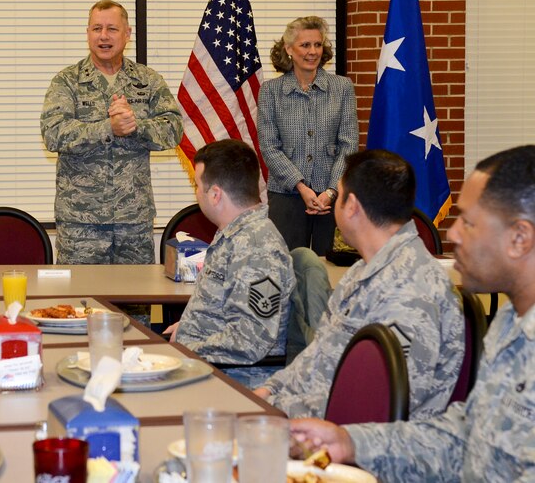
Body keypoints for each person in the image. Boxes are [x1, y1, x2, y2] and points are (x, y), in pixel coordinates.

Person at [290, 145, 535, 481]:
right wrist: (351, 443)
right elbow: (464, 434)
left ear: (519, 238)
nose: (452, 234)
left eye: (469, 222)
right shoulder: (510, 322)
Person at [255, 150, 463, 419]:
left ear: (351, 206)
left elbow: (379, 404)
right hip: (323, 421)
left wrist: (282, 412)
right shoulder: (361, 271)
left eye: (338, 196)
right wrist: (270, 391)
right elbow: (319, 355)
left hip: (363, 444)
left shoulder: (412, 289)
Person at [40, 0, 183, 264]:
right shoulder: (67, 81)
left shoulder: (148, 80)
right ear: (87, 33)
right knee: (80, 301)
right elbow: (52, 132)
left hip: (134, 221)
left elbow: (173, 129)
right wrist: (109, 128)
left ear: (127, 34)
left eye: (112, 29)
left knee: (135, 302)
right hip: (81, 222)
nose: (103, 36)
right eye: (96, 28)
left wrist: (136, 126)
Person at [162, 139, 295, 388]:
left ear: (215, 195)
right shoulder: (236, 234)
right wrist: (188, 326)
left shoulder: (257, 248)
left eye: (197, 186)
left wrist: (187, 349)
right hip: (209, 369)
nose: (196, 192)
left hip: (233, 383)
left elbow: (251, 340)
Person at [257, 16, 359, 254]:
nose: (312, 52)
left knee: (332, 270)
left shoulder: (342, 88)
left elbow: (349, 144)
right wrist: (301, 187)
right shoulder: (271, 91)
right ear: (289, 49)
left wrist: (331, 191)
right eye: (305, 45)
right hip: (286, 195)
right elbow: (269, 147)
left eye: (317, 44)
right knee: (286, 268)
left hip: (332, 197)